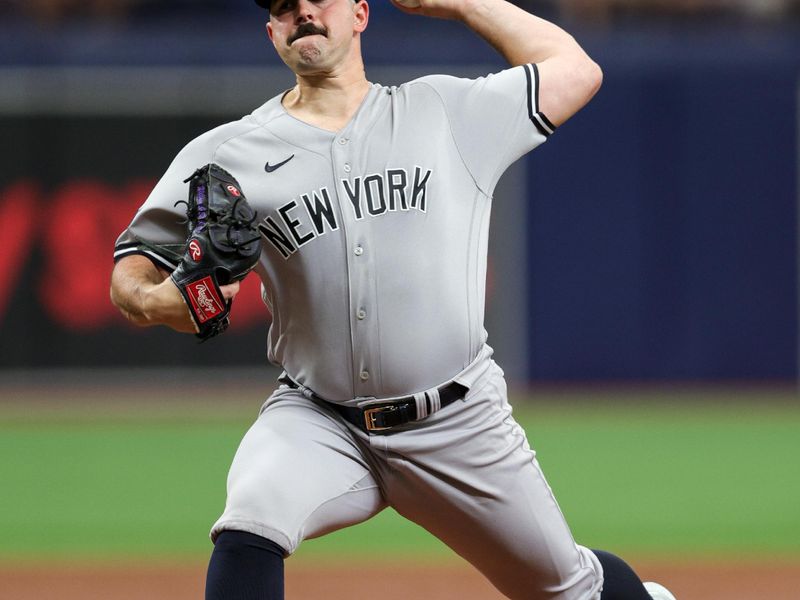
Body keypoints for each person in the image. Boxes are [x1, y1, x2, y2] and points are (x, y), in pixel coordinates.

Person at [110, 0, 677, 598]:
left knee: (568, 589)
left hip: (456, 420)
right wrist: (164, 301)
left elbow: (577, 70)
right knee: (251, 522)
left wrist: (458, 4)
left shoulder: (445, 112)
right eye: (283, 6)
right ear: (271, 31)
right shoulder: (226, 154)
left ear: (360, 14)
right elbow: (129, 274)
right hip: (319, 419)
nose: (302, 11)